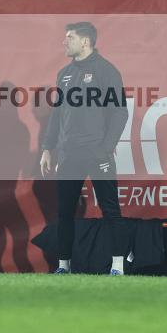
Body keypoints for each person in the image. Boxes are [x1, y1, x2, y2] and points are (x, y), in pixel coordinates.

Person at [40, 22, 129, 275]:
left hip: (96, 153)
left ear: (85, 42)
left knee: (110, 210)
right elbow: (57, 114)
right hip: (69, 155)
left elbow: (120, 113)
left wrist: (106, 148)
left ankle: (118, 267)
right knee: (65, 212)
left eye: (70, 37)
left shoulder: (106, 71)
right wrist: (48, 147)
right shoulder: (64, 74)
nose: (64, 41)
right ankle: (63, 266)